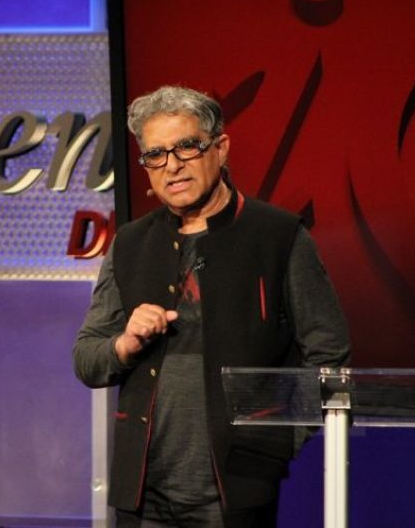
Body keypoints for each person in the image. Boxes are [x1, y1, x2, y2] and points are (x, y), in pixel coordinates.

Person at [73, 86, 350, 527]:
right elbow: (88, 359)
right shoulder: (129, 243)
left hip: (235, 491)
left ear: (220, 148)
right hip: (142, 492)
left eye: (186, 147)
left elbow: (328, 356)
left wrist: (276, 444)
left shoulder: (278, 236)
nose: (172, 166)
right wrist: (123, 344)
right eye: (156, 154)